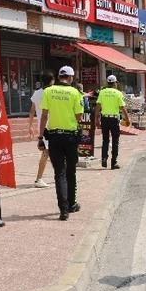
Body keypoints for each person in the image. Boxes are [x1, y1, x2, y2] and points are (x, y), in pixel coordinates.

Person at [40, 66, 85, 221]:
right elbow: (79, 116)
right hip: (71, 138)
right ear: (71, 78)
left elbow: (44, 116)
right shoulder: (75, 92)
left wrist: (41, 137)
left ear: (59, 77)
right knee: (71, 171)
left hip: (54, 137)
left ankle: (63, 210)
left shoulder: (48, 91)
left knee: (59, 173)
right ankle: (72, 204)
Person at [97, 75, 130, 169]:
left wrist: (96, 118)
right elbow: (122, 108)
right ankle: (113, 162)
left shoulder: (102, 92)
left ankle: (104, 158)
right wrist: (127, 119)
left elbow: (98, 106)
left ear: (108, 83)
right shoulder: (118, 93)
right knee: (115, 141)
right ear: (115, 83)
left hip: (104, 119)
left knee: (105, 140)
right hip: (114, 119)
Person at [28, 71, 54, 188]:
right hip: (51, 125)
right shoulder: (51, 93)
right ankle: (38, 179)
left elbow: (32, 110)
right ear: (52, 80)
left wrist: (30, 125)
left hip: (41, 126)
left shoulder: (37, 93)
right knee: (46, 152)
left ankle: (59, 175)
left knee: (49, 151)